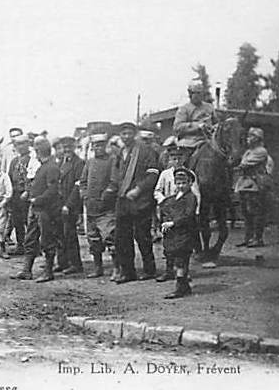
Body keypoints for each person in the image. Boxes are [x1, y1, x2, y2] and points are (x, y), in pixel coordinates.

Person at [110, 121, 161, 283]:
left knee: (142, 236)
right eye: (123, 134)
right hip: (123, 200)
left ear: (135, 134)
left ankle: (149, 269)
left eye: (129, 133)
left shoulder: (146, 151)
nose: (126, 137)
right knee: (122, 238)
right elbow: (116, 176)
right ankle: (128, 272)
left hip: (141, 201)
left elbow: (153, 174)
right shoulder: (119, 153)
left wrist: (138, 190)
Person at [13, 137, 61, 282]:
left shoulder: (51, 167)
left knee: (47, 240)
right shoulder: (42, 166)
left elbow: (53, 190)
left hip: (46, 210)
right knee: (30, 239)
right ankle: (26, 270)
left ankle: (48, 271)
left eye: (37, 150)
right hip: (35, 209)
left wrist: (37, 199)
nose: (36, 153)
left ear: (40, 151)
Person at [78, 133, 118, 279]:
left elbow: (114, 182)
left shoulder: (112, 160)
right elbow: (82, 181)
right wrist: (84, 194)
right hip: (90, 208)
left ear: (106, 145)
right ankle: (98, 268)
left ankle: (116, 269)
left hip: (106, 209)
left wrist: (105, 196)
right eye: (95, 145)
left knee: (110, 238)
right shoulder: (89, 162)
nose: (98, 148)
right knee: (93, 240)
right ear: (92, 147)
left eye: (101, 145)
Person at [159, 168, 199, 298]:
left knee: (181, 260)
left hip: (185, 233)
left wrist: (173, 223)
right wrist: (165, 221)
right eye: (178, 183)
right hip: (173, 235)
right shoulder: (171, 199)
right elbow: (164, 210)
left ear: (190, 183)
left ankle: (180, 288)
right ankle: (184, 285)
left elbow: (188, 215)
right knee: (174, 257)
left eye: (184, 183)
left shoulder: (191, 198)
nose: (180, 186)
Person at [234, 127, 272, 255]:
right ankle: (248, 238)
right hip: (245, 183)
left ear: (258, 139)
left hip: (255, 184)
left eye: (251, 136)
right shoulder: (248, 151)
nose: (248, 139)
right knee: (246, 212)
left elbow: (245, 164)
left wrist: (235, 166)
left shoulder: (261, 151)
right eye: (248, 136)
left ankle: (257, 238)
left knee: (255, 212)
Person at [57, 136, 85, 275]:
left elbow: (77, 186)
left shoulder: (79, 163)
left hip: (70, 204)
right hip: (60, 203)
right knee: (60, 234)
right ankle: (62, 262)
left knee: (70, 234)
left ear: (74, 147)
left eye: (69, 147)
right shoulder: (61, 162)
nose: (66, 150)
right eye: (64, 147)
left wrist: (69, 204)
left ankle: (75, 264)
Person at [5, 134, 34, 255]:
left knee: (30, 222)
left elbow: (34, 178)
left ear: (28, 144)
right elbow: (10, 178)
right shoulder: (14, 161)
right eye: (17, 145)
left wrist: (28, 191)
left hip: (27, 195)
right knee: (17, 221)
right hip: (15, 194)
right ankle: (20, 245)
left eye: (23, 144)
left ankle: (33, 246)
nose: (20, 147)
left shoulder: (33, 159)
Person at [173, 81, 218, 148]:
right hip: (190, 140)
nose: (198, 96)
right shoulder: (184, 109)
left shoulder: (209, 107)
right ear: (190, 94)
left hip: (209, 139)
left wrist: (215, 127)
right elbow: (177, 127)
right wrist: (197, 126)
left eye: (200, 93)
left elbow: (216, 122)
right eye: (195, 93)